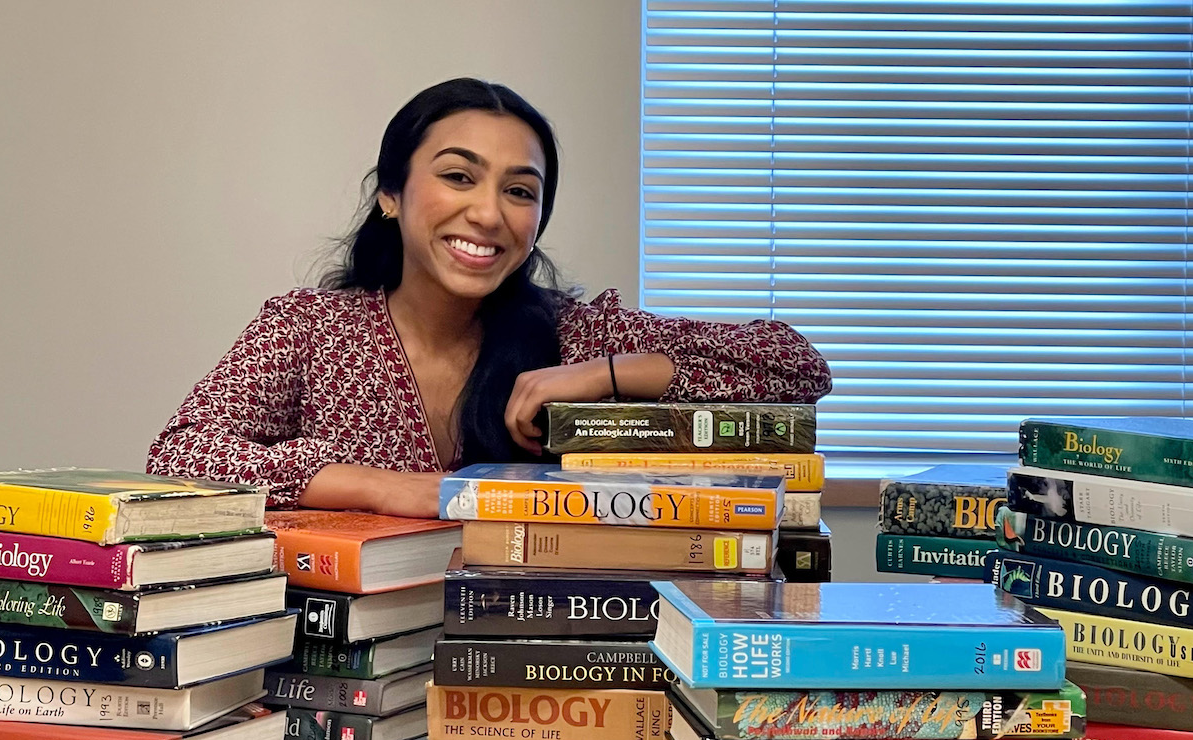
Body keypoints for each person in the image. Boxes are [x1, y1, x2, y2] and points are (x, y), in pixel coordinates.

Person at [148, 78, 831, 517]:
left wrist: (607, 374)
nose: (486, 214)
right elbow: (182, 455)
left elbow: (799, 368)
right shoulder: (308, 327)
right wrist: (381, 485)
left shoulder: (575, 337)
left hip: (535, 671)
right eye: (458, 177)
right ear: (391, 194)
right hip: (348, 679)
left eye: (519, 191)